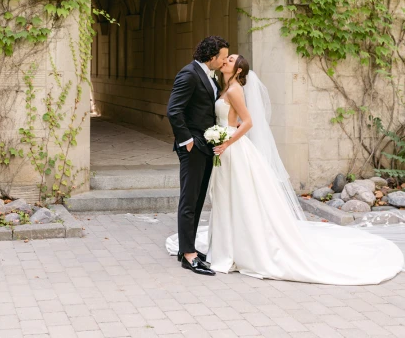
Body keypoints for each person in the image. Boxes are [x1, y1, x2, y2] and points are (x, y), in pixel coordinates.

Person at [167, 54, 404, 284]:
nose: (225, 61)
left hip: (232, 149)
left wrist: (227, 140)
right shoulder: (222, 87)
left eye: (230, 60)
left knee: (239, 196)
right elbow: (232, 118)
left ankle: (242, 248)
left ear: (238, 70)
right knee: (225, 197)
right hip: (223, 150)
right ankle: (225, 245)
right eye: (225, 58)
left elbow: (249, 122)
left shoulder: (235, 89)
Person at [166, 35, 229, 276]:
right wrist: (188, 141)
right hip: (193, 147)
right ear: (212, 57)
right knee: (189, 200)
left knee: (199, 198)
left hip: (205, 146)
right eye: (222, 57)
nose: (224, 62)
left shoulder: (208, 74)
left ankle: (187, 248)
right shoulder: (189, 73)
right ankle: (188, 256)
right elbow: (174, 110)